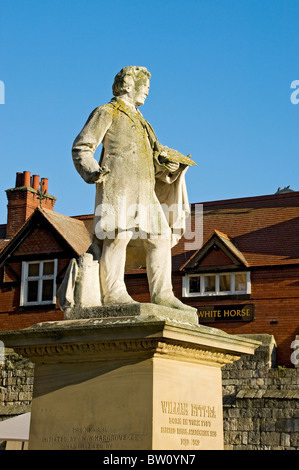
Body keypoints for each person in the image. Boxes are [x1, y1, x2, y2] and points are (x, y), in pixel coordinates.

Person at [72, 66, 194, 310]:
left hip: (145, 192)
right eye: (145, 87)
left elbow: (152, 160)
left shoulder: (144, 123)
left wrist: (167, 165)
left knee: (160, 238)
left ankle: (163, 295)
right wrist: (92, 170)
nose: (148, 92)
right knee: (118, 237)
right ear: (128, 84)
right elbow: (82, 147)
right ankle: (114, 292)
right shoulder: (107, 112)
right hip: (118, 187)